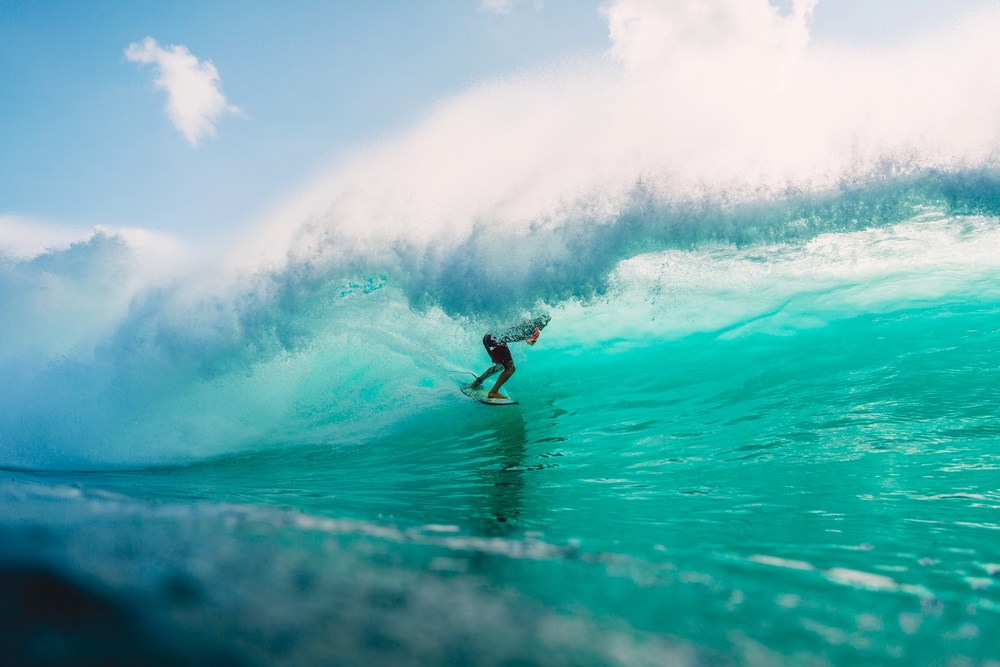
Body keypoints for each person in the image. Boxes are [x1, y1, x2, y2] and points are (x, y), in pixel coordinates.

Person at [470, 314, 551, 399]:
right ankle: (493, 392)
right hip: (497, 340)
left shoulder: (526, 321)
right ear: (540, 322)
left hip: (488, 336)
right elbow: (531, 343)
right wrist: (534, 337)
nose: (545, 325)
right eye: (545, 323)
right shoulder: (532, 329)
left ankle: (475, 384)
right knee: (510, 368)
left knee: (500, 366)